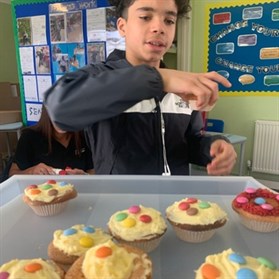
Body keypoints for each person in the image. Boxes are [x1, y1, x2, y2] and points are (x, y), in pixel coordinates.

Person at [44, 0, 237, 176]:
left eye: (169, 21)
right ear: (122, 26)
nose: (159, 28)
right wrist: (157, 79)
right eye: (145, 17)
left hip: (175, 204)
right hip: (122, 207)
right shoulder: (99, 77)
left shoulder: (182, 86)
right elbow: (59, 109)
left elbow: (189, 141)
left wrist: (212, 147)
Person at [9, 105, 94, 176]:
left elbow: (94, 170)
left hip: (78, 190)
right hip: (40, 192)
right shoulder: (30, 136)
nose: (62, 120)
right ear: (47, 113)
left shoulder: (84, 135)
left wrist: (85, 176)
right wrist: (32, 171)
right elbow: (12, 174)